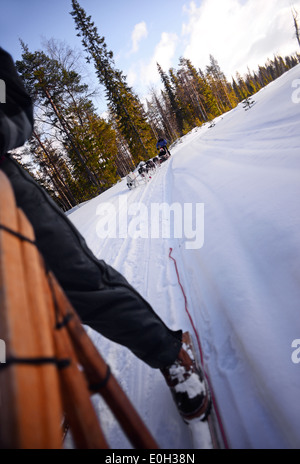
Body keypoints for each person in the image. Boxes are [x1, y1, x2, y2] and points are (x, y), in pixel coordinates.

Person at [0, 47, 211, 422]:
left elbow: (12, 104)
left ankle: (169, 351)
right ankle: (29, 399)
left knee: (78, 282)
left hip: (6, 193)